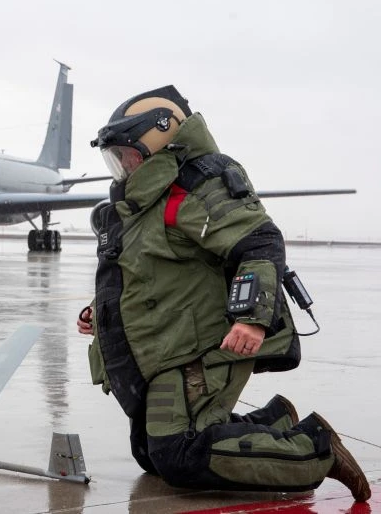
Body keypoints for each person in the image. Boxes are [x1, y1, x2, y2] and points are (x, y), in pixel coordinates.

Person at [78, 85, 370, 502]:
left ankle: (316, 449)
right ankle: (276, 422)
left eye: (127, 155)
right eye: (116, 159)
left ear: (158, 143)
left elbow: (259, 243)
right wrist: (97, 313)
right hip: (164, 346)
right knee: (151, 452)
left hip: (204, 346)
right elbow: (137, 274)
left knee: (178, 455)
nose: (122, 166)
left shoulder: (192, 190)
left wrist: (252, 318)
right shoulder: (140, 209)